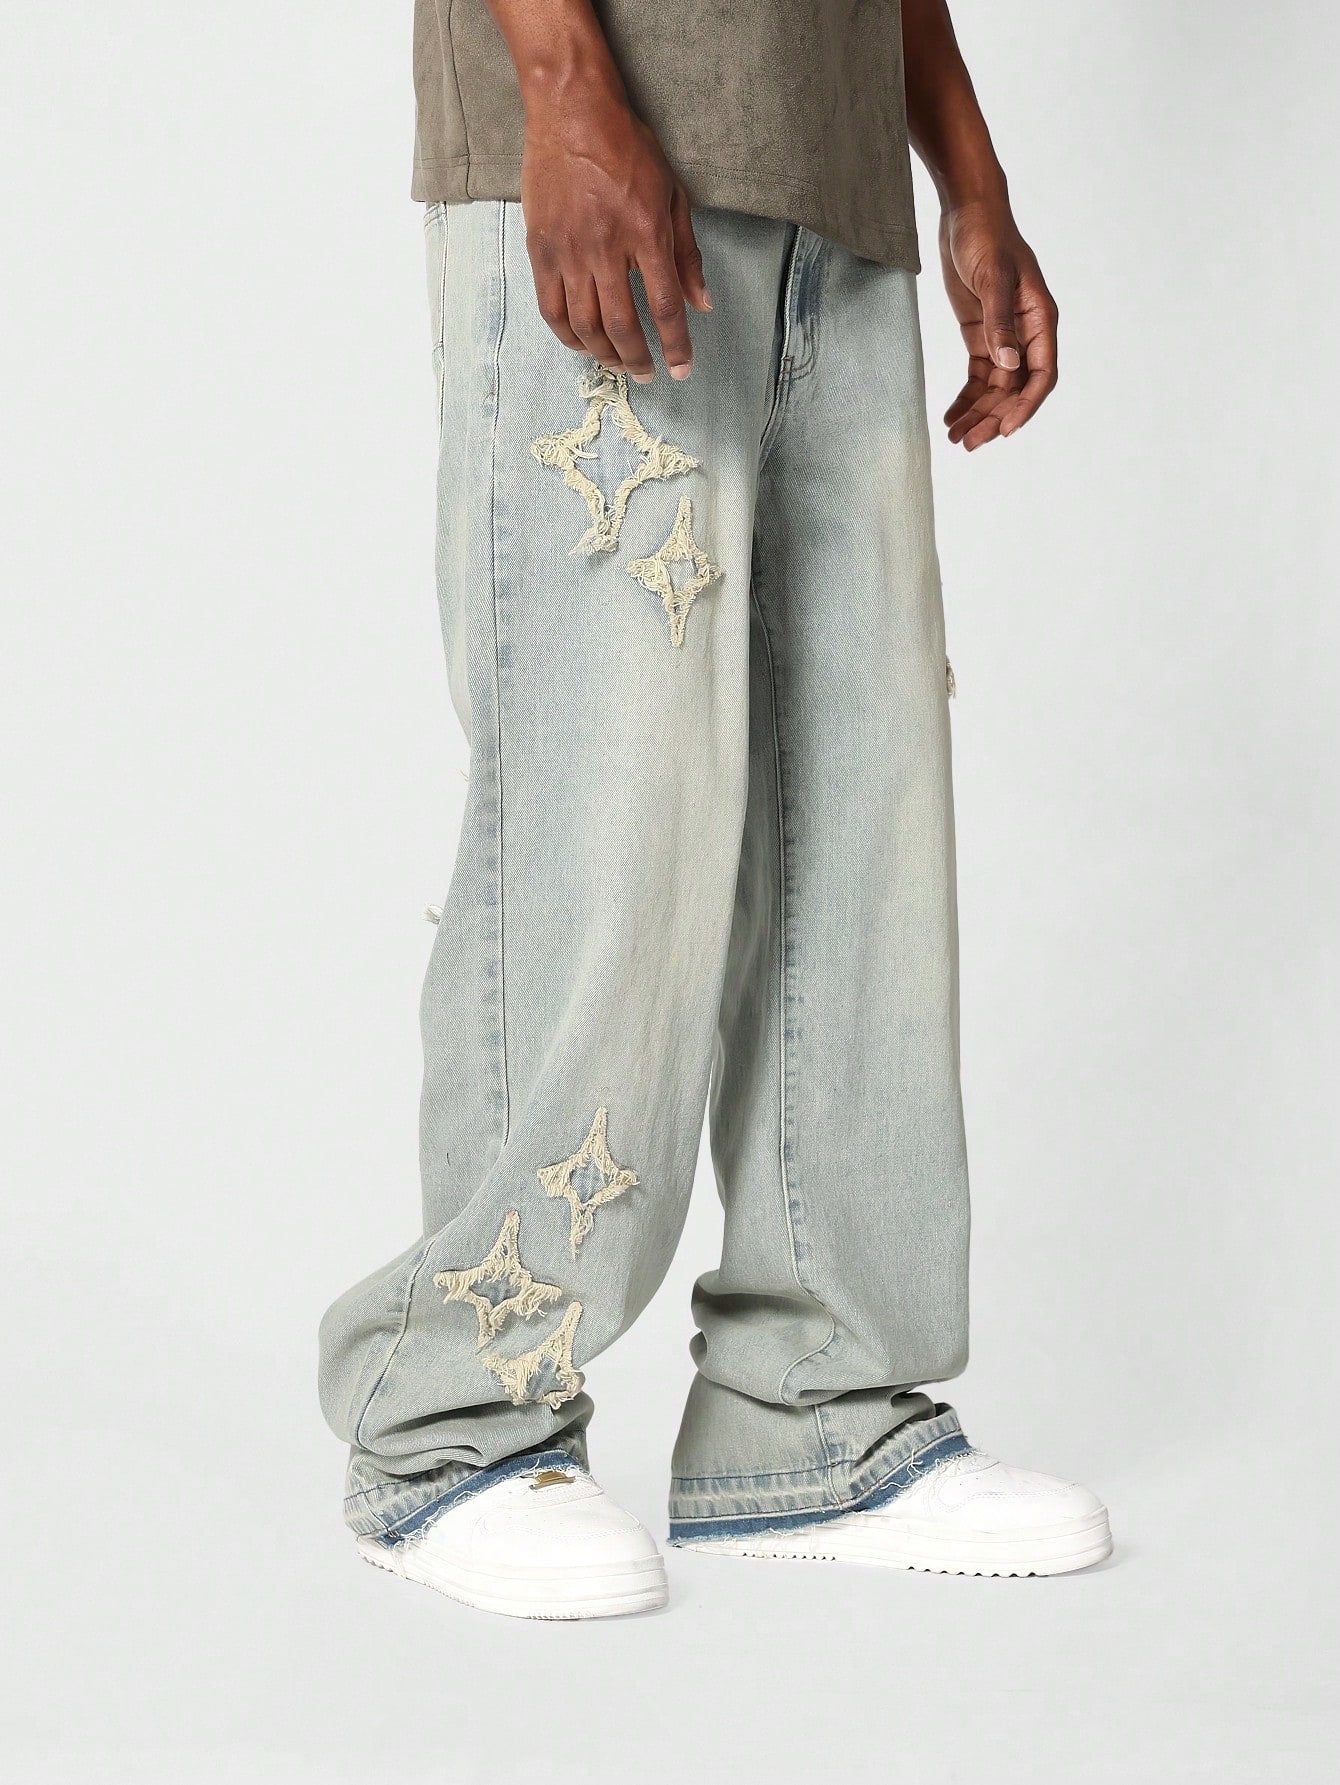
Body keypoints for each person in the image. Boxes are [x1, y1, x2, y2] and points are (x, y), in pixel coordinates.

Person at [318, 0, 1110, 1620]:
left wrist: (968, 179)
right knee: (609, 806)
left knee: (864, 814)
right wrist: (561, 88)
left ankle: (819, 1406)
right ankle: (454, 1420)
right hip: (611, 134)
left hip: (831, 175)